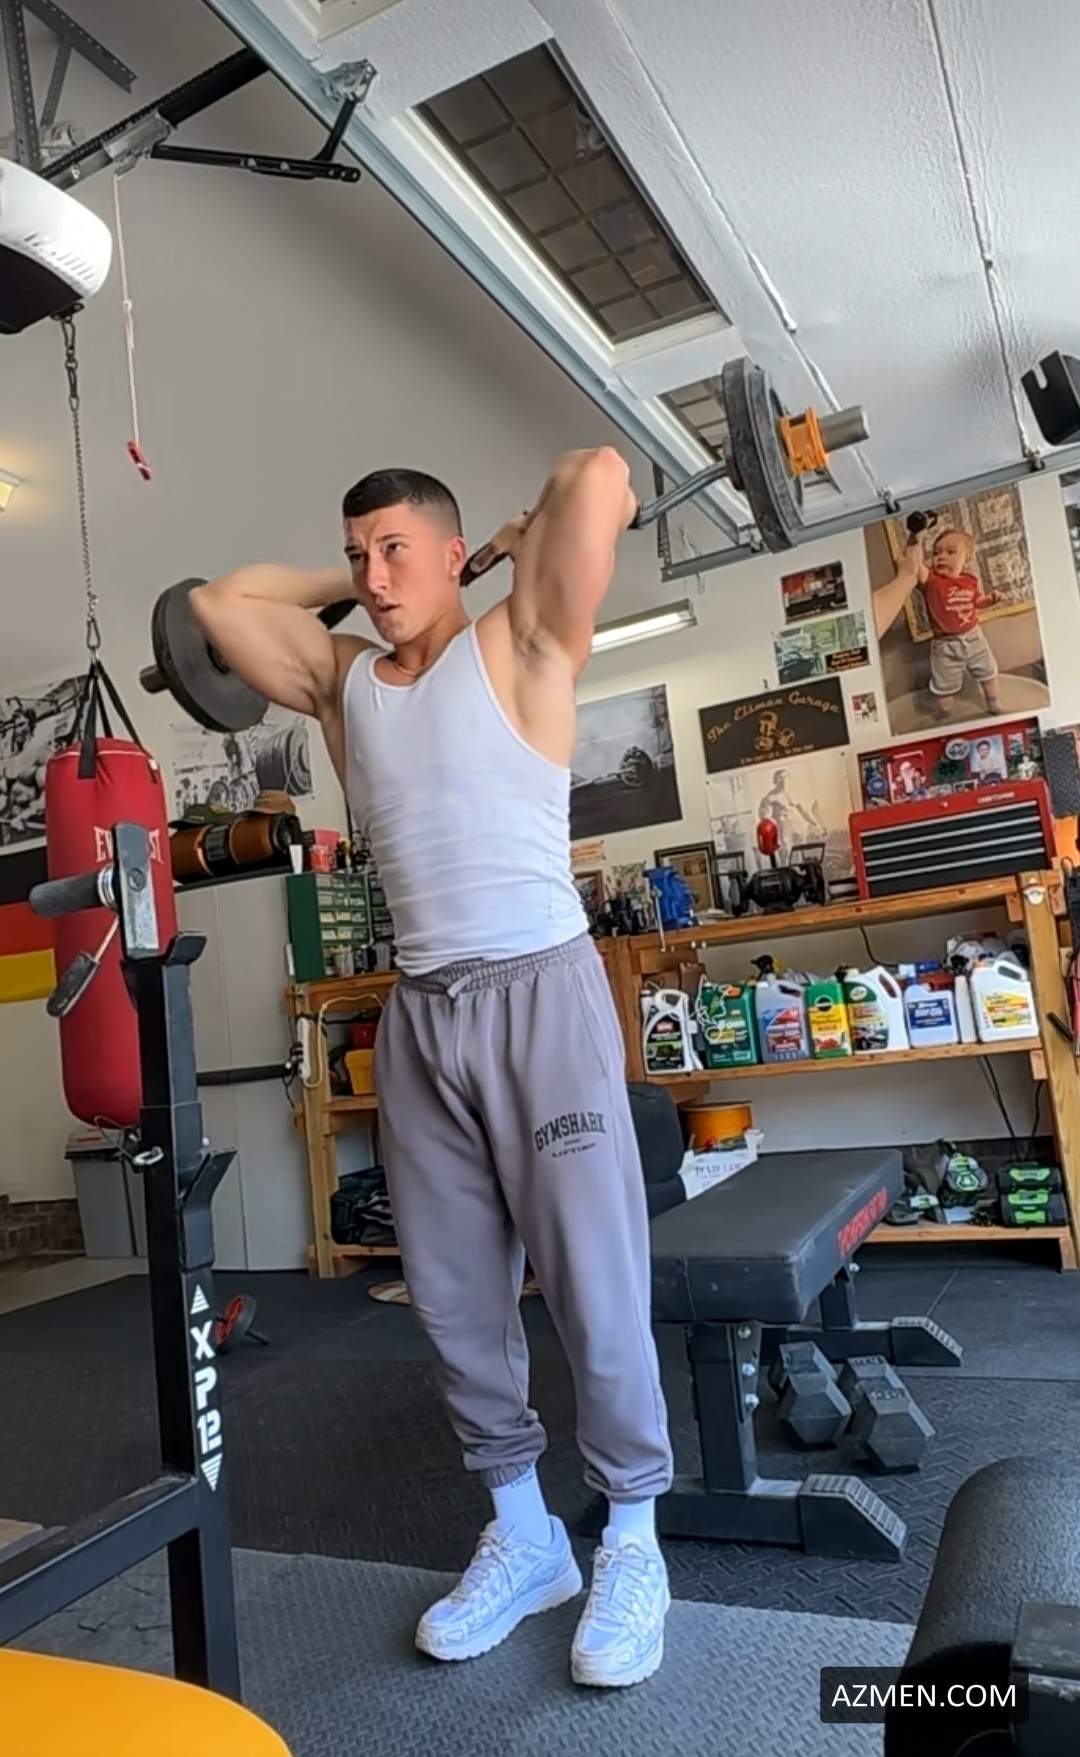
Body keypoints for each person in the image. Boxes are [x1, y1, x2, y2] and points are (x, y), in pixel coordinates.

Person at [191, 453, 674, 1689]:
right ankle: (524, 1533)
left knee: (592, 1282)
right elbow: (217, 606)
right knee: (454, 1299)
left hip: (541, 992)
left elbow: (600, 472)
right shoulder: (345, 684)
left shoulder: (523, 640)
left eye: (396, 547)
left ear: (455, 553)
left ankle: (631, 1537)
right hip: (421, 1012)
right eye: (358, 554)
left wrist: (509, 545)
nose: (372, 573)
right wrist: (354, 581)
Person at [874, 526, 1004, 720]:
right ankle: (945, 712)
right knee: (943, 686)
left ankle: (993, 701)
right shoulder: (931, 580)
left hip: (973, 637)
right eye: (936, 553)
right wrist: (916, 536)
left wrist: (990, 600)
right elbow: (914, 565)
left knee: (988, 672)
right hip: (945, 645)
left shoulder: (970, 581)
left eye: (951, 552)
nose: (941, 557)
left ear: (966, 559)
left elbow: (977, 602)